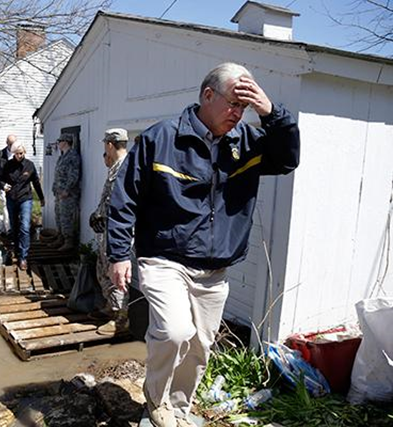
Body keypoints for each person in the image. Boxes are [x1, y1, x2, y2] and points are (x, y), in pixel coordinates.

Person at [107, 63, 300, 427]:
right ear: (207, 95)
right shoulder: (160, 139)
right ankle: (156, 398)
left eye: (244, 106)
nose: (238, 113)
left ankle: (178, 410)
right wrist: (118, 254)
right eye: (233, 103)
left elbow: (288, 159)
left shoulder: (246, 143)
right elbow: (124, 200)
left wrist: (270, 112)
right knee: (175, 330)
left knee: (199, 348)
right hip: (164, 258)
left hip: (214, 269)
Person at [89, 129, 130, 336]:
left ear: (110, 145)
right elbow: (108, 199)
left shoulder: (125, 168)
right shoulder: (115, 167)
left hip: (117, 231)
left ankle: (121, 318)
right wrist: (97, 215)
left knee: (116, 272)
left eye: (105, 144)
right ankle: (110, 306)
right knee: (103, 268)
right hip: (107, 228)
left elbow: (124, 204)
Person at [0, 140, 45, 270]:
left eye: (21, 153)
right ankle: (17, 249)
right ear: (13, 154)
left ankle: (23, 257)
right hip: (11, 198)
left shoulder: (30, 165)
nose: (19, 156)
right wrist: (3, 185)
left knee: (25, 226)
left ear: (24, 152)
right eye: (17, 154)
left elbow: (36, 183)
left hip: (25, 198)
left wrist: (41, 198)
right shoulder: (7, 165)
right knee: (14, 226)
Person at [50, 133, 81, 251]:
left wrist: (67, 190)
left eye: (60, 141)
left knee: (66, 217)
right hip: (59, 192)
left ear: (66, 142)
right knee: (58, 215)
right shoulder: (63, 156)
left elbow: (73, 175)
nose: (58, 143)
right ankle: (61, 238)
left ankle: (69, 241)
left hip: (67, 194)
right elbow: (58, 174)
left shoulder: (73, 156)